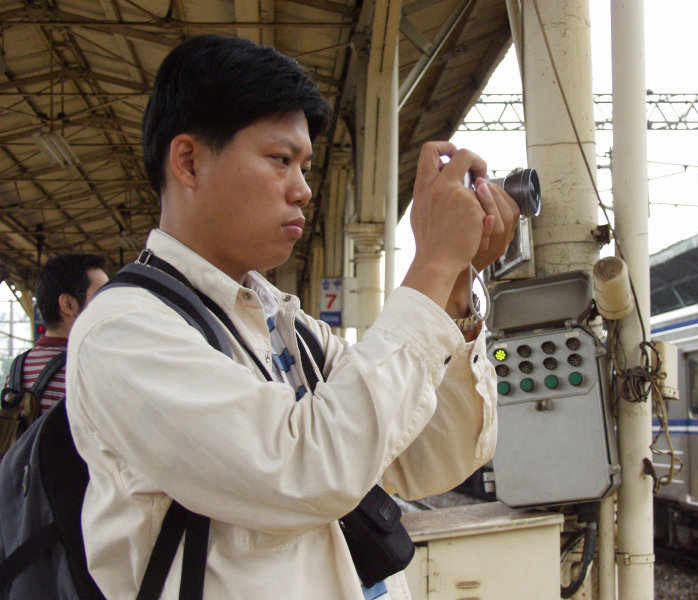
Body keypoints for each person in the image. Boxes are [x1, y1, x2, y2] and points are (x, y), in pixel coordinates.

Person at [66, 34, 519, 600]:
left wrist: (454, 287)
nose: (303, 190)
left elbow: (430, 455)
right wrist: (432, 263)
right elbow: (307, 469)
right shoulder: (124, 333)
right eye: (281, 160)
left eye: (305, 166)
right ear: (188, 161)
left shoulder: (286, 325)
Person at [2, 253, 107, 416]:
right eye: (102, 297)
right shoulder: (89, 369)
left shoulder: (18, 368)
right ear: (68, 304)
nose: (110, 306)